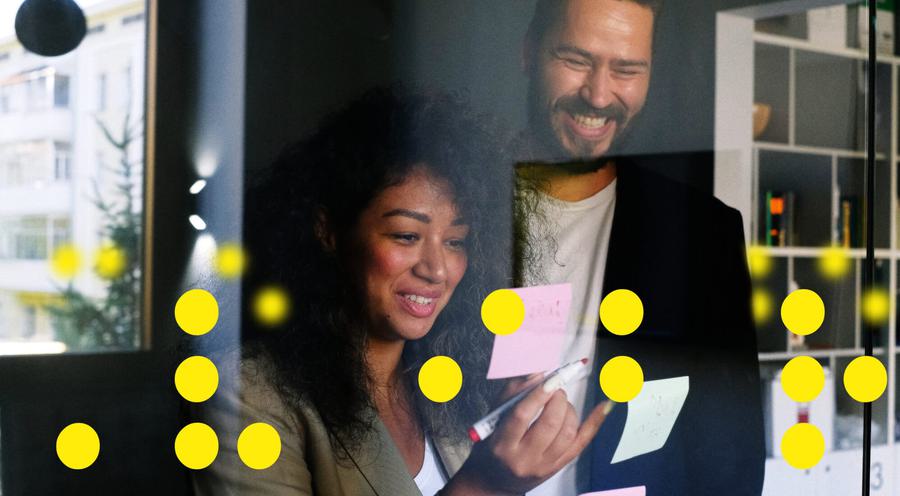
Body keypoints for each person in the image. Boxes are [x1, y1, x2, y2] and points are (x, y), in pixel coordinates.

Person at [191, 88, 609, 496]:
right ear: (329, 232)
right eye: (407, 236)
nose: (438, 270)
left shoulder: (447, 382)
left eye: (456, 241)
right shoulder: (243, 395)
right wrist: (485, 485)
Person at [515, 0, 766, 494]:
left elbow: (728, 454)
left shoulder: (704, 235)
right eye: (576, 60)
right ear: (529, 53)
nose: (598, 94)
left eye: (626, 69)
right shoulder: (447, 214)